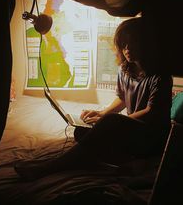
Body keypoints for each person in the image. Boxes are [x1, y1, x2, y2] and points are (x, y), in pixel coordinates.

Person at [14, 17, 173, 180]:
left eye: (132, 43)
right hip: (132, 132)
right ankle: (108, 160)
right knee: (81, 132)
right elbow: (122, 99)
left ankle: (48, 167)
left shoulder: (160, 76)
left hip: (152, 137)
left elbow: (151, 112)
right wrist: (101, 114)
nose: (127, 49)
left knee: (107, 125)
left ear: (146, 44)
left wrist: (111, 122)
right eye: (123, 44)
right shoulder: (125, 69)